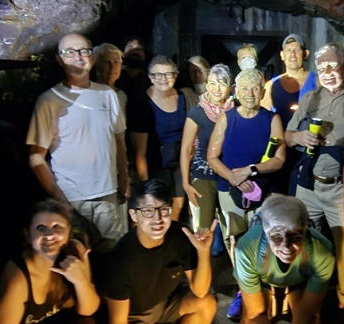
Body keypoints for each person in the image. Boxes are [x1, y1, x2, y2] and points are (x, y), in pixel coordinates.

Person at [284, 43, 344, 309]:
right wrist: (299, 136)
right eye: (322, 68)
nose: (328, 72)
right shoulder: (310, 97)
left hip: (340, 187)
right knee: (304, 242)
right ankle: (309, 300)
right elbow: (286, 137)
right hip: (308, 185)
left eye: (333, 66)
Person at [26, 33, 129, 250]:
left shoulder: (107, 94)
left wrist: (124, 180)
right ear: (59, 59)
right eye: (69, 52)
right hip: (72, 198)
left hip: (107, 194)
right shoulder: (49, 100)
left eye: (83, 51)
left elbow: (118, 139)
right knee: (73, 258)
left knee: (111, 256)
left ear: (92, 57)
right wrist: (60, 199)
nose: (78, 57)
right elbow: (37, 156)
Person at [207, 68, 285, 320]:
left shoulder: (272, 119)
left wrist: (250, 171)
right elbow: (212, 157)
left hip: (263, 191)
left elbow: (279, 159)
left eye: (255, 88)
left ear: (263, 91)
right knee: (236, 241)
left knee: (264, 240)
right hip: (230, 190)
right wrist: (233, 177)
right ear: (236, 92)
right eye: (244, 89)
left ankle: (267, 289)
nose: (250, 93)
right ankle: (244, 290)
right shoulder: (226, 118)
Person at [104, 179, 218, 324]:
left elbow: (200, 291)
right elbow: (118, 320)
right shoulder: (122, 259)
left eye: (164, 210)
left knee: (206, 303)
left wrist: (203, 252)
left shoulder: (180, 235)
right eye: (148, 211)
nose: (157, 219)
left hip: (166, 305)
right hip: (134, 316)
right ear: (134, 215)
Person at [0, 200, 100, 324]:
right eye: (41, 228)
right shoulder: (18, 279)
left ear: (68, 231)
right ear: (28, 236)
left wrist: (80, 280)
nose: (49, 235)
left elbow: (88, 310)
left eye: (57, 227)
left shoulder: (75, 250)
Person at [235, 194, 335, 324]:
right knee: (251, 318)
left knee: (310, 319)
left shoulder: (322, 251)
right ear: (266, 233)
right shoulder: (247, 248)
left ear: (305, 232)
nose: (286, 246)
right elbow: (255, 313)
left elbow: (307, 312)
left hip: (300, 279)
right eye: (277, 236)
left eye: (294, 236)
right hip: (262, 278)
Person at [129, 55, 191, 220]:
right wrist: (144, 186)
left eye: (168, 74)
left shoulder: (184, 98)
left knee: (177, 208)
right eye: (158, 74)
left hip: (180, 162)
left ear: (175, 76)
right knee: (159, 208)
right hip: (157, 164)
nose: (163, 78)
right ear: (150, 77)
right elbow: (139, 152)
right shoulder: (142, 104)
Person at [180, 63, 234, 232]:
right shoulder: (197, 112)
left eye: (222, 83)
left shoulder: (236, 110)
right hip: (203, 176)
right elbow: (186, 149)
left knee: (233, 229)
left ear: (230, 87)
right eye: (212, 83)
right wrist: (186, 183)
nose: (217, 89)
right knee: (203, 229)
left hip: (230, 176)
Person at [260, 33, 318, 128]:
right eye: (288, 50)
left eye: (297, 50)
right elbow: (263, 119)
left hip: (310, 139)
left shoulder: (318, 81)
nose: (292, 54)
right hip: (281, 139)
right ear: (282, 55)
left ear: (305, 54)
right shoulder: (271, 85)